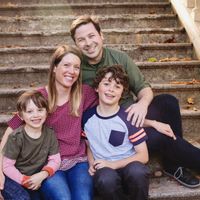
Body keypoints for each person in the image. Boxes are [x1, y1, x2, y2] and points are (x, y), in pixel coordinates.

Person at [70, 15, 200, 188]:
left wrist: (141, 105)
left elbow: (144, 88)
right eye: (81, 39)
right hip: (114, 133)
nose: (88, 42)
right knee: (162, 135)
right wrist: (152, 123)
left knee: (168, 101)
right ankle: (176, 158)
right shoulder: (76, 69)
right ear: (76, 44)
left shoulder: (120, 58)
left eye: (91, 36)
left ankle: (173, 163)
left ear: (101, 36)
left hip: (134, 117)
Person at [0, 44, 98, 200]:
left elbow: (110, 102)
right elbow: (11, 130)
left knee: (83, 197)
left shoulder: (84, 93)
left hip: (78, 160)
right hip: (49, 164)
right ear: (54, 68)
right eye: (66, 65)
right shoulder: (38, 98)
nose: (71, 71)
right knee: (62, 198)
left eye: (76, 67)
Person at [82, 65, 150, 200]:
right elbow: (89, 145)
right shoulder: (87, 118)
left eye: (117, 86)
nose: (111, 89)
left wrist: (113, 164)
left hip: (128, 166)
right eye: (106, 84)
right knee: (106, 179)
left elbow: (143, 156)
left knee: (138, 171)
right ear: (97, 88)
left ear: (122, 92)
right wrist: (91, 162)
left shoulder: (128, 117)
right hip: (105, 170)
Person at [2, 90, 61, 200]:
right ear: (21, 115)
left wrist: (43, 174)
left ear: (46, 112)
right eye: (29, 111)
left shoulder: (50, 134)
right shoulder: (16, 137)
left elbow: (56, 160)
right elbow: (7, 166)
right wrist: (24, 180)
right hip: (13, 178)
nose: (36, 115)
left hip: (36, 178)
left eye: (40, 110)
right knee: (22, 198)